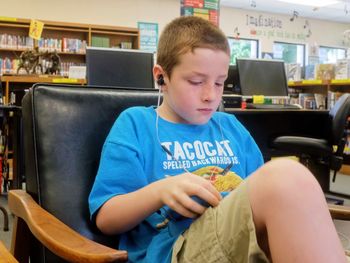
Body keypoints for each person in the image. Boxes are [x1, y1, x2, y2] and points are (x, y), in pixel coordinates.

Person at [89, 16, 347, 263]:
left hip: (242, 240)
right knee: (287, 177)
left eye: (220, 83)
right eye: (196, 81)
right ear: (161, 76)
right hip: (174, 248)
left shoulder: (230, 126)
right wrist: (160, 191)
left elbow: (259, 201)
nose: (211, 96)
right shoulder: (136, 124)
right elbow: (106, 219)